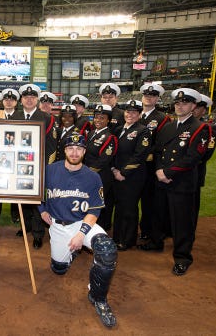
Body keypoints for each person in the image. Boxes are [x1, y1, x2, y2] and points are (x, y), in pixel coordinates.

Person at [38, 131, 118, 328]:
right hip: (58, 225)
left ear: (84, 151)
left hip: (84, 224)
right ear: (65, 150)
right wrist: (42, 210)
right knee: (59, 270)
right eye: (71, 148)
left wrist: (81, 234)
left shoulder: (92, 177)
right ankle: (68, 256)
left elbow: (94, 210)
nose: (74, 153)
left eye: (79, 149)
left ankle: (98, 297)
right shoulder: (50, 170)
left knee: (106, 250)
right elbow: (36, 190)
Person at [138, 88, 209, 276]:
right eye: (177, 103)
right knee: (158, 214)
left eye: (184, 103)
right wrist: (160, 170)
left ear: (193, 106)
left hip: (182, 182)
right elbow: (159, 151)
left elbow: (194, 157)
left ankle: (182, 257)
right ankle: (155, 242)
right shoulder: (169, 126)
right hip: (162, 179)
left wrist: (168, 172)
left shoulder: (200, 128)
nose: (180, 106)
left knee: (182, 222)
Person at [12, 83, 58, 249]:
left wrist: (46, 169)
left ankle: (38, 234)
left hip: (38, 167)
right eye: (26, 97)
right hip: (19, 167)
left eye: (32, 97)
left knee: (37, 201)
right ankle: (25, 227)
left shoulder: (47, 118)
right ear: (21, 100)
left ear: (37, 99)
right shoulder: (15, 117)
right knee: (22, 199)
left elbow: (52, 147)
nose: (29, 100)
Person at [111, 100, 151, 251]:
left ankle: (127, 240)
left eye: (134, 112)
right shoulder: (119, 129)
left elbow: (140, 155)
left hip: (132, 176)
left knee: (129, 208)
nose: (130, 114)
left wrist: (124, 172)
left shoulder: (143, 131)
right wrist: (114, 170)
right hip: (117, 174)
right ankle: (117, 237)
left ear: (139, 115)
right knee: (120, 207)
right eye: (128, 112)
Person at [138, 84, 170, 240]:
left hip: (150, 166)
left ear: (157, 98)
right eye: (146, 95)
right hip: (134, 166)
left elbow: (161, 143)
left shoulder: (162, 118)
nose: (148, 97)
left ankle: (147, 231)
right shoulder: (135, 114)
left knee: (149, 201)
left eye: (152, 95)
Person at [83, 104, 117, 232]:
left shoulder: (110, 137)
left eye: (102, 118)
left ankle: (99, 233)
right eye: (96, 117)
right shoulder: (92, 133)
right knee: (89, 205)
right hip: (89, 176)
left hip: (100, 177)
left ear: (108, 120)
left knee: (99, 207)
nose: (98, 120)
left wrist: (85, 173)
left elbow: (103, 161)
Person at [192, 94, 216, 225]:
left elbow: (206, 153)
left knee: (191, 206)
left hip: (195, 172)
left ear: (203, 110)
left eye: (198, 107)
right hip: (176, 173)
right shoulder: (179, 125)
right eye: (193, 106)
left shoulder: (209, 128)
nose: (194, 109)